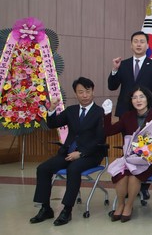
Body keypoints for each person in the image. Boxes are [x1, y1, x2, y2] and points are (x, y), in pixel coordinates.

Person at [30, 77, 106, 227]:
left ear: (93, 92)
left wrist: (81, 153)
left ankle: (67, 210)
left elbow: (100, 138)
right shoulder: (71, 110)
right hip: (68, 153)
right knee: (43, 168)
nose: (85, 95)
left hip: (90, 154)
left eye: (88, 91)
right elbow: (53, 124)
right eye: (81, 92)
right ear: (75, 94)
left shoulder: (100, 112)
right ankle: (45, 208)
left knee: (74, 168)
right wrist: (51, 109)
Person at [102, 86, 152, 222]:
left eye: (141, 96)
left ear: (148, 99)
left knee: (133, 175)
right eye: (135, 97)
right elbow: (108, 131)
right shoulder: (127, 116)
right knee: (121, 174)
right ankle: (120, 205)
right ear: (131, 101)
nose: (138, 100)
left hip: (150, 159)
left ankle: (129, 206)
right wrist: (107, 114)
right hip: (130, 158)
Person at [107, 31, 152, 117]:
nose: (138, 44)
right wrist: (115, 69)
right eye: (135, 41)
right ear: (131, 45)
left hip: (146, 112)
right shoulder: (123, 64)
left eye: (142, 42)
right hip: (125, 111)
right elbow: (112, 87)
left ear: (147, 46)